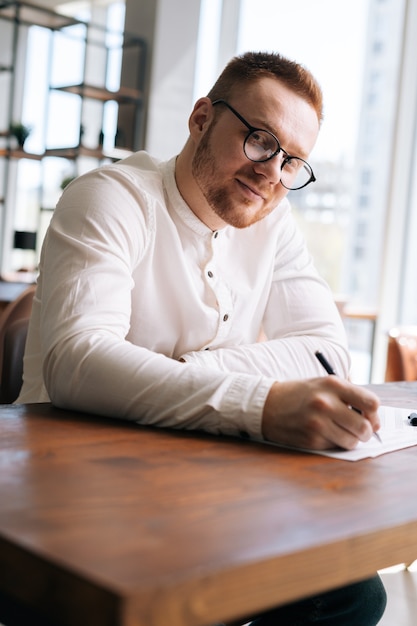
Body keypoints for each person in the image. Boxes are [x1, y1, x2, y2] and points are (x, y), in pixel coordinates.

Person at [17, 51, 386, 624]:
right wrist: (261, 402)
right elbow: (79, 362)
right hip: (71, 489)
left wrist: (179, 369)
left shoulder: (273, 222)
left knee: (354, 594)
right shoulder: (109, 197)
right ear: (201, 119)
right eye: (261, 140)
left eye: (292, 162)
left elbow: (326, 351)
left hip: (200, 477)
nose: (271, 173)